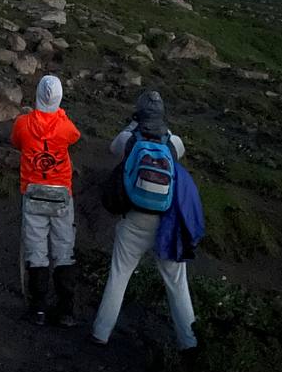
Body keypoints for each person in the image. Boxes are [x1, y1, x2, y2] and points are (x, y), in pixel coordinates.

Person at [91, 90, 198, 352]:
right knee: (176, 282)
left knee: (119, 275)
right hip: (167, 223)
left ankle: (101, 333)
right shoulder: (174, 143)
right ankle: (190, 341)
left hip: (134, 219)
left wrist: (132, 125)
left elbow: (113, 147)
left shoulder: (129, 139)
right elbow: (177, 155)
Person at [10, 75, 82, 326]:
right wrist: (59, 115)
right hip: (61, 193)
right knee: (64, 249)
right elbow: (75, 136)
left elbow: (16, 142)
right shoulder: (65, 127)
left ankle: (38, 308)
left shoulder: (23, 123)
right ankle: (66, 310)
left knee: (36, 250)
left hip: (33, 191)